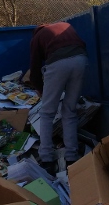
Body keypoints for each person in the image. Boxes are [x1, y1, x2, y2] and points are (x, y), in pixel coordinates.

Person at [28, 22, 89, 176]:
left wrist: (41, 91)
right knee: (70, 110)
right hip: (81, 59)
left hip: (58, 63)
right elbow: (81, 44)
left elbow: (34, 70)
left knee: (47, 113)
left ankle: (47, 159)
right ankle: (71, 158)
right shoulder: (65, 25)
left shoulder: (37, 37)